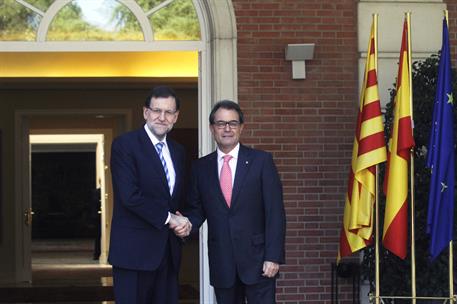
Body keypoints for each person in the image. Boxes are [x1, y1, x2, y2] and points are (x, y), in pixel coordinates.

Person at [182, 100, 286, 304]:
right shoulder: (200, 168)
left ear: (241, 127)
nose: (227, 129)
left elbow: (275, 212)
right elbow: (197, 211)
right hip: (223, 263)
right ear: (212, 128)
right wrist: (184, 224)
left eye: (233, 123)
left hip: (259, 262)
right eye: (221, 124)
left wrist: (273, 256)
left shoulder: (261, 161)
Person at [108, 86, 192, 304]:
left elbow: (176, 200)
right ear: (146, 112)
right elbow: (130, 196)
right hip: (133, 255)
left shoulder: (178, 151)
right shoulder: (125, 145)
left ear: (176, 117)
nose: (162, 117)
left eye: (168, 112)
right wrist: (170, 218)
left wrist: (185, 223)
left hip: (168, 254)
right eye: (156, 110)